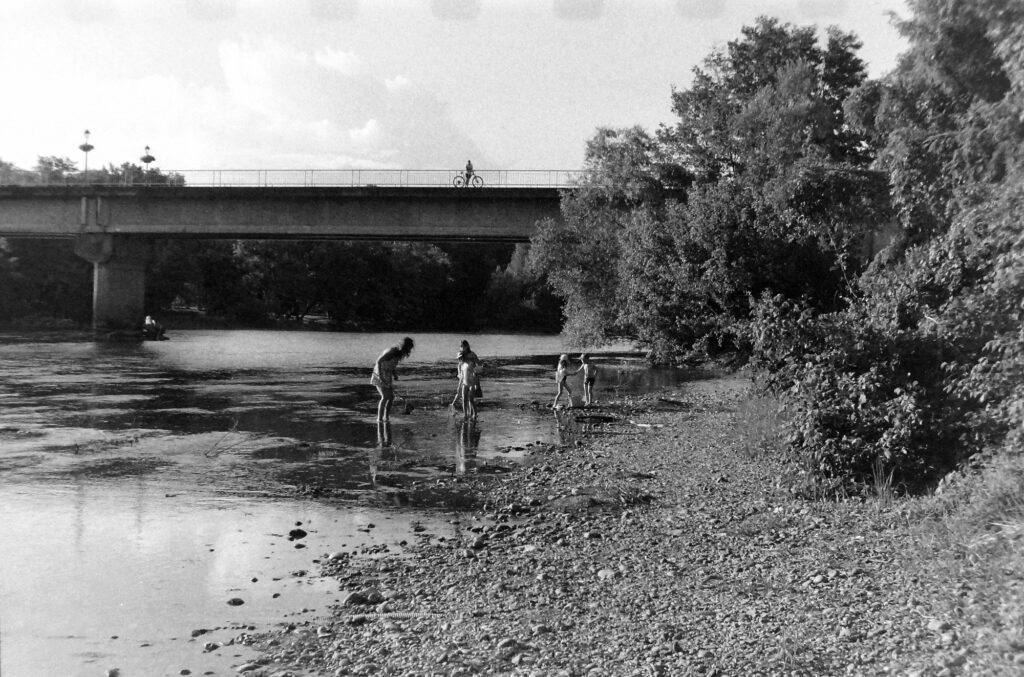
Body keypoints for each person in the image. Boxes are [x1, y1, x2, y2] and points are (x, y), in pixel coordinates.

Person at [370, 337, 414, 422]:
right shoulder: (391, 351)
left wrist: (394, 374)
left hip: (388, 374)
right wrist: (380, 376)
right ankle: (379, 419)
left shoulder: (399, 354)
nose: (409, 350)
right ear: (404, 346)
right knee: (385, 396)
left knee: (391, 397)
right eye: (409, 348)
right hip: (379, 373)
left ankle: (386, 417)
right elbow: (378, 361)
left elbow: (391, 365)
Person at [449, 340, 479, 409]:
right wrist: (459, 374)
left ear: (467, 346)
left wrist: (476, 373)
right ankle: (465, 414)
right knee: (463, 396)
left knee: (470, 398)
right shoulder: (460, 354)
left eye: (464, 346)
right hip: (463, 376)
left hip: (471, 376)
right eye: (461, 346)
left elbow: (478, 363)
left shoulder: (472, 354)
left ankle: (472, 413)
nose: (462, 348)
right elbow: (459, 365)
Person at [457, 349, 479, 420]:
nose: (460, 359)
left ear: (464, 357)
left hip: (471, 384)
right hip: (464, 384)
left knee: (471, 399)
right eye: (459, 358)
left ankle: (475, 413)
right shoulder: (462, 365)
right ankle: (465, 414)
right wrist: (459, 386)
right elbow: (461, 376)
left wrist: (476, 384)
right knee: (464, 399)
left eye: (461, 358)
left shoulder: (471, 363)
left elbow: (475, 374)